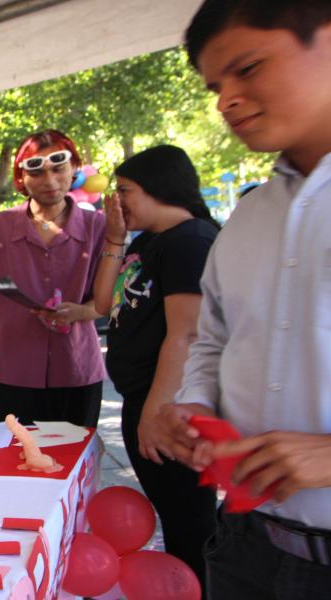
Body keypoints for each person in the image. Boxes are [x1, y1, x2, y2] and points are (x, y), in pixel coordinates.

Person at [158, 1, 331, 597]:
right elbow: (216, 337)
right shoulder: (248, 218)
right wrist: (194, 402)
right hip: (246, 544)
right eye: (215, 85)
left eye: (249, 68)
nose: (226, 100)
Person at [92, 145, 220, 586]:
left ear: (158, 187)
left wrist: (155, 412)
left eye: (125, 190)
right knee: (177, 518)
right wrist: (114, 238)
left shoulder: (191, 241)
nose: (118, 199)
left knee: (191, 526)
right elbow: (103, 302)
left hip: (167, 405)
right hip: (144, 400)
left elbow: (185, 335)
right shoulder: (150, 242)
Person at [0, 130, 106, 426]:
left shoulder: (97, 226)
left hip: (76, 366)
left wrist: (84, 311)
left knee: (76, 457)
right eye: (36, 171)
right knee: (20, 458)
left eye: (58, 167)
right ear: (21, 178)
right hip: (16, 369)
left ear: (74, 168)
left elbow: (114, 291)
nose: (49, 180)